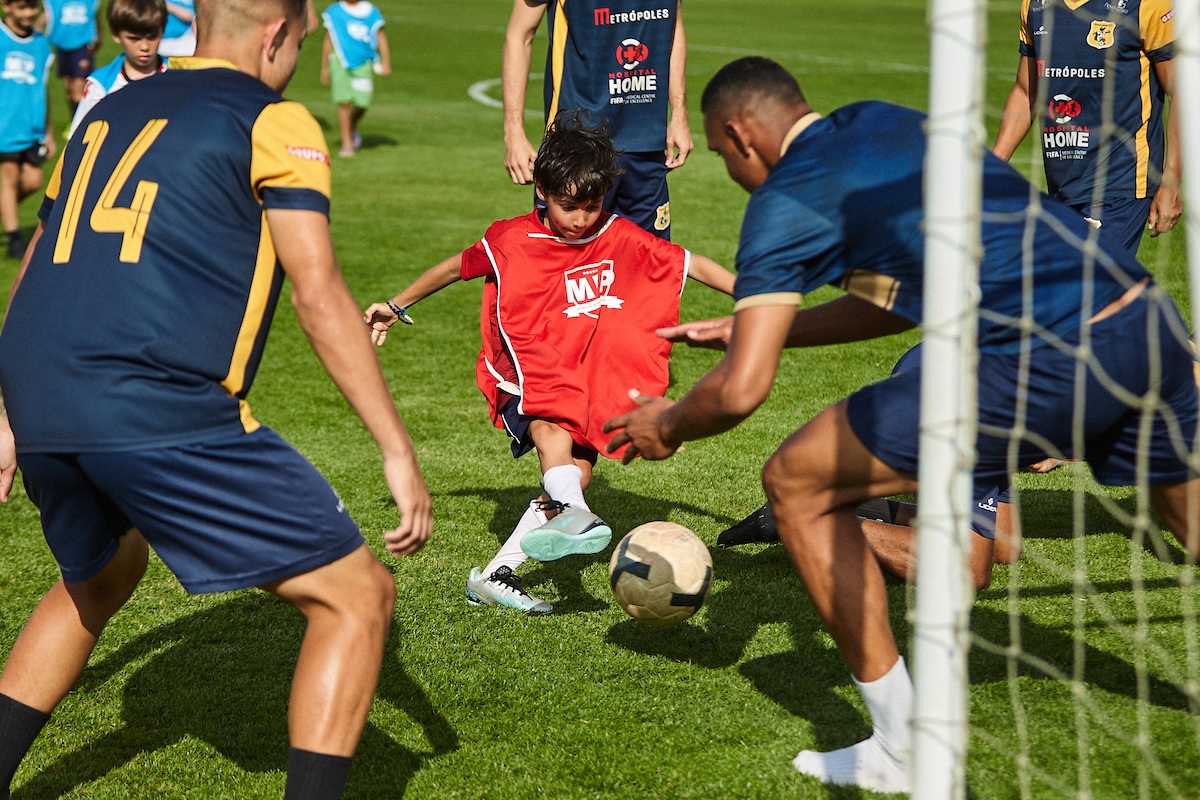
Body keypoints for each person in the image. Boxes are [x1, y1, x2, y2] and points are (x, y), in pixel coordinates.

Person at [603, 57, 1200, 793]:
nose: (728, 170)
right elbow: (907, 300)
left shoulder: (783, 200)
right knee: (1193, 524)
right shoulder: (886, 119)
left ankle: (901, 747)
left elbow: (740, 393)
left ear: (738, 134)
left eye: (722, 155)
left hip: (1040, 358)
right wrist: (766, 328)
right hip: (1145, 325)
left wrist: (668, 424)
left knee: (795, 483)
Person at [0, 1, 432, 797]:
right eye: (300, 42)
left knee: (97, 579)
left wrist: (7, 410)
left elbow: (41, 261)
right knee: (356, 596)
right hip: (152, 401)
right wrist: (397, 450)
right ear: (276, 34)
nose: (297, 57)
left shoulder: (103, 111)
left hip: (39, 388)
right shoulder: (273, 121)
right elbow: (318, 290)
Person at [365, 113, 733, 615]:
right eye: (569, 207)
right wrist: (397, 304)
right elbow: (456, 267)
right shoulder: (510, 239)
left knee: (575, 472)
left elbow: (689, 263)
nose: (582, 218)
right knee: (549, 420)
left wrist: (757, 299)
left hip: (580, 376)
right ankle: (574, 512)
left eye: (592, 205)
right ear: (541, 190)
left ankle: (496, 574)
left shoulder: (618, 234)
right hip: (523, 367)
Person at [992, 0, 1180, 256]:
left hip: (1121, 180)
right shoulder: (1035, 5)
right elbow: (1026, 91)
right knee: (1077, 286)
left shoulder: (1146, 4)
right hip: (1063, 182)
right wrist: (991, 166)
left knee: (1080, 281)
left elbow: (1182, 94)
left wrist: (1170, 183)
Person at [502, 0, 691, 239]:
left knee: (651, 264)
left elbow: (674, 24)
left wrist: (679, 113)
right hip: (576, 144)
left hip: (646, 141)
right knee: (565, 267)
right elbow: (519, 35)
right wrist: (513, 133)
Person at [65, 0, 168, 141]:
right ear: (115, 35)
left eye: (152, 37)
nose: (144, 46)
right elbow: (76, 140)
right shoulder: (100, 85)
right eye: (134, 38)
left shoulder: (180, 75)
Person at [0, 0, 55, 260]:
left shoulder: (40, 43)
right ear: (6, 6)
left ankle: (4, 208)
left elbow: (42, 90)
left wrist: (49, 132)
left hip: (31, 128)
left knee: (34, 182)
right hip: (4, 127)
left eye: (33, 7)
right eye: (22, 7)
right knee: (7, 178)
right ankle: (14, 240)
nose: (29, 13)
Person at [319, 0, 389, 158]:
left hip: (363, 62)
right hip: (339, 61)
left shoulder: (370, 11)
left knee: (363, 102)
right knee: (344, 103)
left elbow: (380, 36)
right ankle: (347, 144)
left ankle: (351, 125)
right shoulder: (335, 12)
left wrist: (386, 61)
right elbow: (329, 39)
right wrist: (324, 67)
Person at [38, 0, 100, 116]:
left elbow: (95, 14)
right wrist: (37, 28)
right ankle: (74, 123)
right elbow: (50, 13)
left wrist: (98, 37)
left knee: (78, 91)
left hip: (82, 47)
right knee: (69, 90)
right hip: (62, 47)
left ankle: (83, 124)